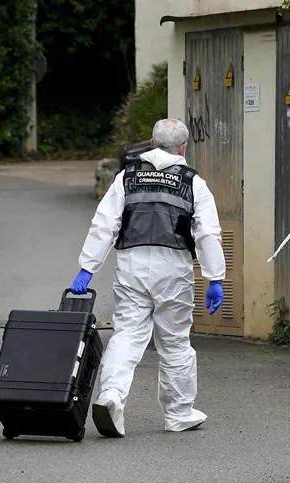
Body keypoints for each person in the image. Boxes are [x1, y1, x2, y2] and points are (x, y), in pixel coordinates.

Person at [69, 118, 226, 438]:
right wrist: (215, 277)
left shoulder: (127, 177)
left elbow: (104, 223)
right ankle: (179, 412)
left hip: (132, 265)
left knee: (127, 334)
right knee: (175, 341)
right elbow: (207, 232)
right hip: (173, 268)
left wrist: (87, 268)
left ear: (152, 144)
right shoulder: (193, 182)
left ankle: (111, 396)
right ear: (183, 148)